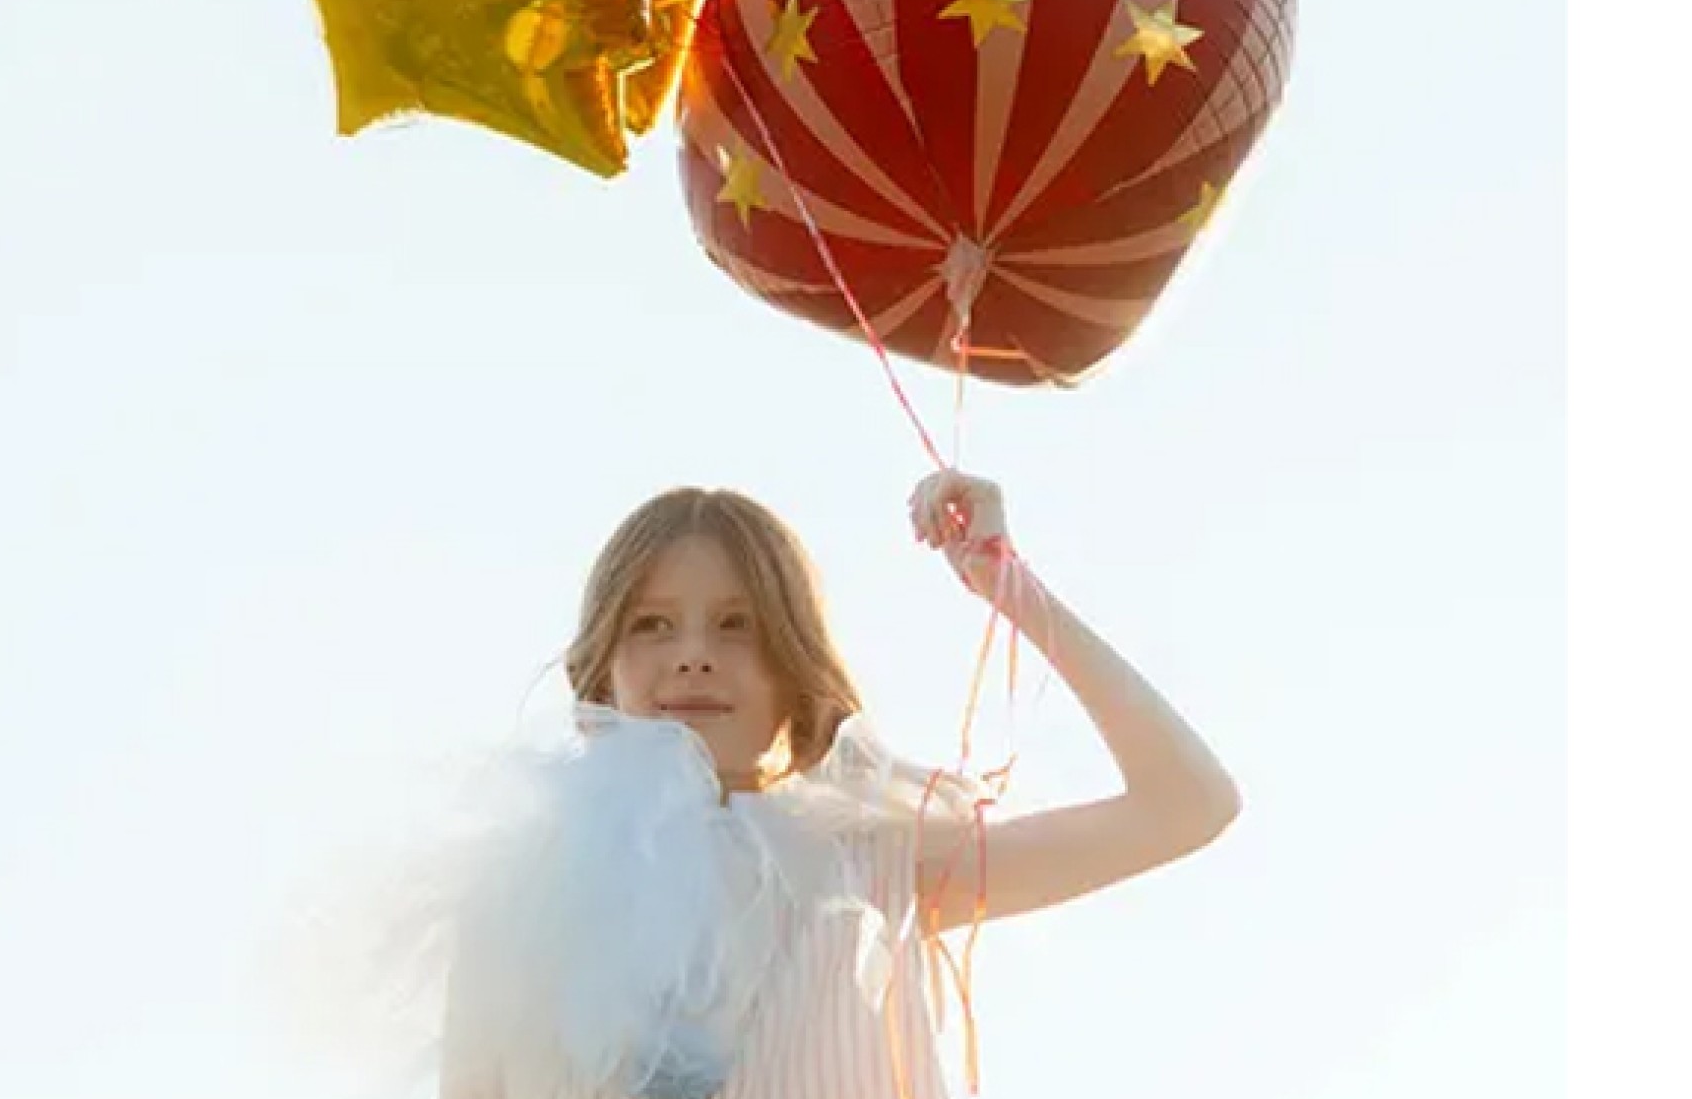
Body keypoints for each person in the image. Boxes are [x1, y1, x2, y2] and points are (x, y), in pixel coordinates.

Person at [425, 469, 1241, 1099]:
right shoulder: (529, 899)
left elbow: (1187, 805)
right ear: (603, 671)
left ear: (795, 665)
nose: (694, 653)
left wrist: (1006, 583)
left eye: (738, 624)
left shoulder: (870, 873)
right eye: (652, 624)